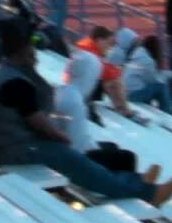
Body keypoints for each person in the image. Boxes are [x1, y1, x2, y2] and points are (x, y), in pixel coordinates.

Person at [0, 20, 172, 205]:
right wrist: (61, 139)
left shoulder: (1, 72)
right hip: (15, 149)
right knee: (73, 159)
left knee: (80, 155)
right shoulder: (16, 81)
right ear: (22, 49)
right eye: (30, 47)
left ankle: (134, 181)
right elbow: (38, 121)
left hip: (9, 143)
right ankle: (148, 193)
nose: (34, 52)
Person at [53, 48, 157, 176]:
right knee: (128, 157)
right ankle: (134, 184)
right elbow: (78, 145)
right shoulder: (75, 102)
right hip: (74, 157)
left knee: (111, 147)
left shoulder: (62, 91)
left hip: (66, 148)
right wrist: (96, 148)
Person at [121, 34, 172, 114]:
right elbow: (154, 79)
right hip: (132, 94)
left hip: (124, 91)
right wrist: (168, 74)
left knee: (147, 86)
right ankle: (168, 111)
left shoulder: (136, 54)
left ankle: (155, 108)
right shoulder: (148, 60)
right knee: (161, 86)